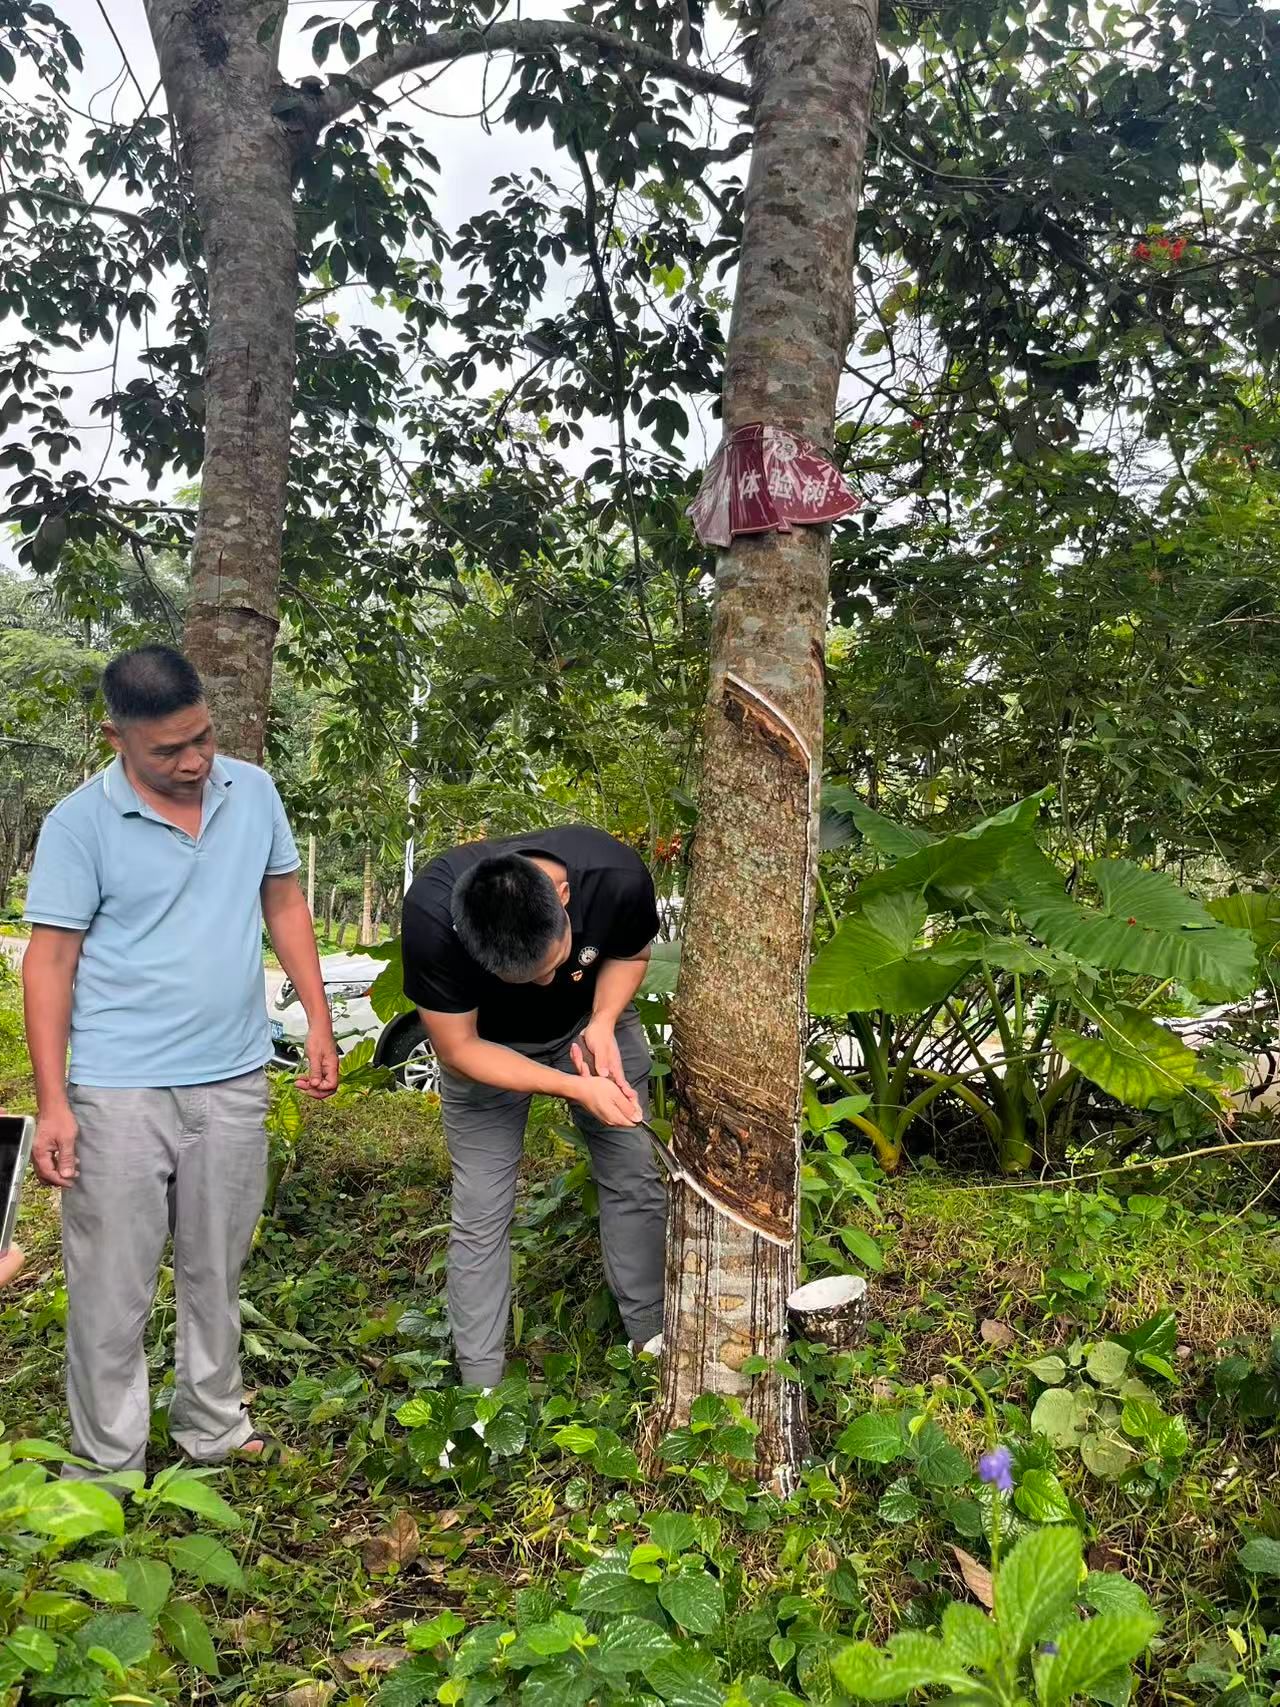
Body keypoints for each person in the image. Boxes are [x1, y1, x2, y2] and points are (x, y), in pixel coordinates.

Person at [22, 645, 338, 1475]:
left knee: (217, 1268)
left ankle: (213, 1423)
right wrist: (54, 1103)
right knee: (110, 1285)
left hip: (233, 1075)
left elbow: (284, 900)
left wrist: (318, 1017)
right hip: (119, 1089)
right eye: (169, 750)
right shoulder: (78, 825)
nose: (195, 761)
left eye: (203, 737)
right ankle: (106, 1463)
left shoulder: (253, 792)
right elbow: (49, 964)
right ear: (115, 738)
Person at [402, 827, 666, 1386]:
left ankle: (653, 1343)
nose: (547, 982)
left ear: (564, 896)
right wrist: (573, 1087)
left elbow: (631, 952)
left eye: (556, 961)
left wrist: (602, 1021)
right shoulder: (431, 918)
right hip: (487, 1048)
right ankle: (481, 1391)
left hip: (590, 1021)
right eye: (526, 977)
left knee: (635, 1173)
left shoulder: (615, 877)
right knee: (481, 1209)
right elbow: (458, 1047)